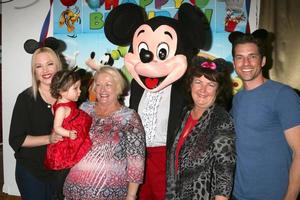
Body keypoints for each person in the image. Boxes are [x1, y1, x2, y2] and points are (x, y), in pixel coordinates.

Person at [229, 29, 300, 200]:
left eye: (252, 56)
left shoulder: (283, 95)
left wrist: (290, 197)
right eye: (240, 57)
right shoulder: (236, 99)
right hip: (239, 194)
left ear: (263, 61)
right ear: (234, 63)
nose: (246, 62)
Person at [63, 66, 146, 200]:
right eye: (99, 84)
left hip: (110, 193)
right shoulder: (83, 108)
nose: (102, 90)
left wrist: (131, 196)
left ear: (118, 87)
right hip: (74, 190)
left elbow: (136, 162)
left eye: (108, 85)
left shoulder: (129, 117)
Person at [165, 56, 236, 200]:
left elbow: (225, 170)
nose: (203, 89)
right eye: (198, 82)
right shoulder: (184, 113)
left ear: (218, 89)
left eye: (211, 84)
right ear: (190, 84)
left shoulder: (221, 119)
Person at [9, 46, 64, 200]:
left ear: (58, 65)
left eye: (50, 64)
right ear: (34, 71)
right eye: (39, 66)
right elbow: (16, 139)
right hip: (32, 172)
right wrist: (49, 139)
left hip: (59, 172)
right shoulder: (25, 99)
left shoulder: (68, 96)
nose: (45, 70)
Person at [44, 69, 92, 199]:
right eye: (75, 88)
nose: (80, 91)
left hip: (70, 140)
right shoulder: (61, 108)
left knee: (68, 174)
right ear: (61, 90)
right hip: (64, 147)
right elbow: (57, 127)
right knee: (61, 174)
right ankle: (57, 195)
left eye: (79, 87)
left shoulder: (65, 103)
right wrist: (68, 133)